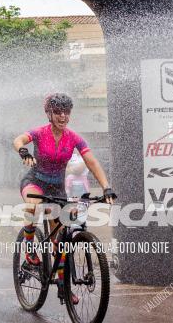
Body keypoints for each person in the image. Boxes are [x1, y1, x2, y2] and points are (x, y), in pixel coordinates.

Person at [13, 93, 115, 302]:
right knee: (33, 205)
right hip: (35, 182)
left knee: (60, 242)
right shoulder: (40, 133)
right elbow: (19, 139)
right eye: (58, 112)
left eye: (66, 112)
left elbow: (92, 162)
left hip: (57, 188)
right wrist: (24, 151)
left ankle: (63, 286)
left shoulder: (73, 138)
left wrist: (106, 187)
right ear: (49, 114)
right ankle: (31, 249)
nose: (63, 116)